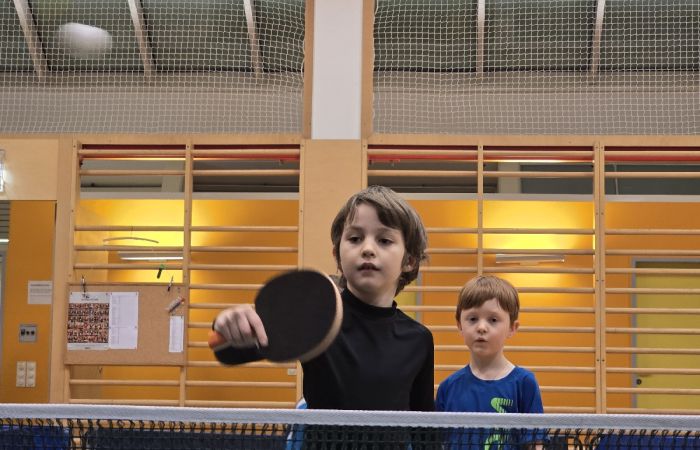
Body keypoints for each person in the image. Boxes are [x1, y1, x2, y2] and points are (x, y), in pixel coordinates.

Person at [212, 185, 435, 412]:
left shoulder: (419, 339)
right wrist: (231, 325)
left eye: (384, 240)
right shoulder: (315, 317)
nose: (367, 249)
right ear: (337, 255)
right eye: (355, 238)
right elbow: (228, 351)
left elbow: (425, 424)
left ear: (409, 261)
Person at [436, 275, 544, 449]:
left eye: (493, 320)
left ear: (512, 328)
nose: (481, 327)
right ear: (459, 325)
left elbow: (535, 445)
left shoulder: (525, 383)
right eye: (472, 319)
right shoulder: (447, 388)